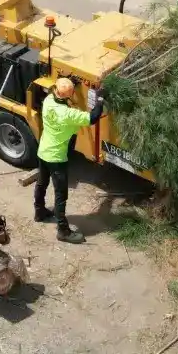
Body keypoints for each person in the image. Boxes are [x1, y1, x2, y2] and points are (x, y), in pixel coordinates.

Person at [34, 77, 105, 245]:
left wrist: (70, 82)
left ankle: (39, 212)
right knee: (61, 195)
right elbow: (93, 117)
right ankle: (63, 231)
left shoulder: (49, 100)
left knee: (41, 183)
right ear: (69, 95)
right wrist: (100, 99)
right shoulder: (68, 114)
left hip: (43, 150)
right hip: (57, 157)